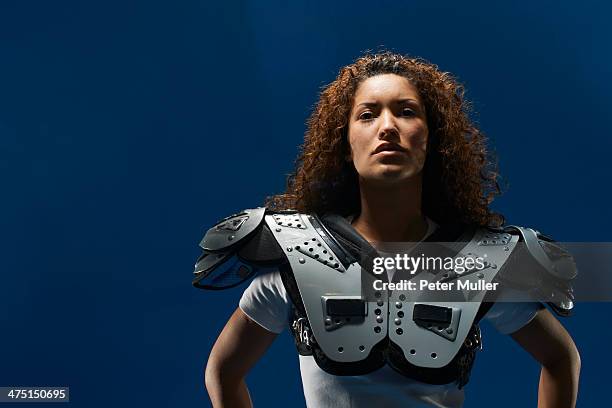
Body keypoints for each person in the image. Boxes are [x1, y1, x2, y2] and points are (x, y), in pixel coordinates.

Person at [197, 52, 581, 407]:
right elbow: (224, 371)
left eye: (407, 112)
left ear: (431, 139)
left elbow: (560, 358)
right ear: (345, 143)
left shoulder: (479, 261)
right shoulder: (298, 256)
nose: (387, 127)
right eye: (367, 114)